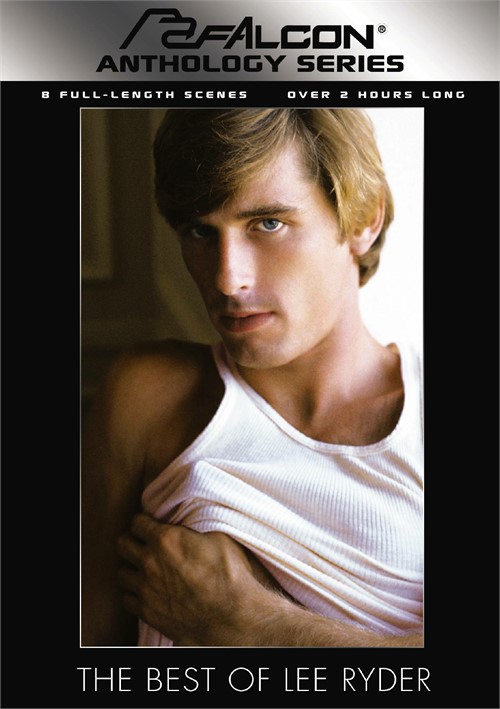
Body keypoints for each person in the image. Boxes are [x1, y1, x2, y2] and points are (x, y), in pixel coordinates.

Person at [81, 108, 423, 648]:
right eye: (200, 231)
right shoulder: (151, 397)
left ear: (363, 219)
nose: (227, 279)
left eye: (268, 224)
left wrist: (246, 621)